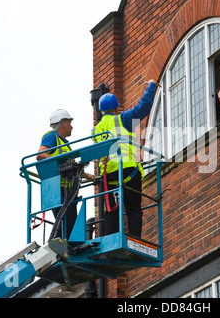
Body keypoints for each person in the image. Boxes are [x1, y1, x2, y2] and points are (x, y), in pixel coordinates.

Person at [93, 80, 157, 238]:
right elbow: (143, 107)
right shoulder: (121, 119)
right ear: (116, 108)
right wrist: (151, 86)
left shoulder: (96, 130)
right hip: (129, 171)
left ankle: (110, 240)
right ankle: (135, 240)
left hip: (108, 176)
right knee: (133, 210)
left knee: (110, 210)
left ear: (101, 111)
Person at [37, 109, 95, 239]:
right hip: (57, 189)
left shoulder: (66, 144)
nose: (71, 126)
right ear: (63, 123)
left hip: (69, 189)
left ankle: (61, 249)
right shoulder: (52, 137)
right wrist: (59, 163)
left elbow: (71, 166)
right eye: (69, 122)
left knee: (70, 226)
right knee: (65, 223)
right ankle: (54, 249)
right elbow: (41, 154)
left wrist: (88, 176)